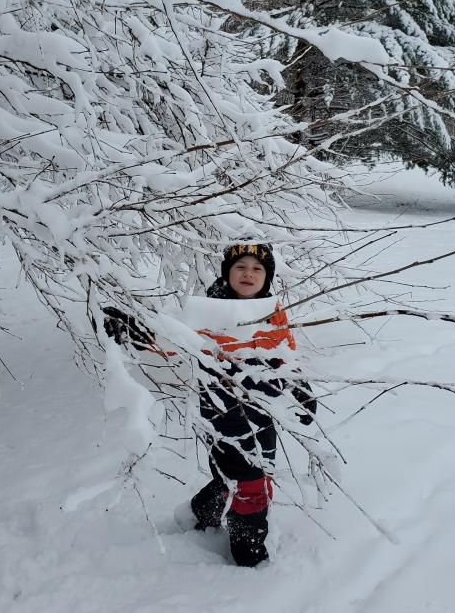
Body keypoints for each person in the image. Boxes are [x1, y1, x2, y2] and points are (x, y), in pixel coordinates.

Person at [103, 242, 316, 567]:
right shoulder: (210, 312)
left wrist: (298, 385)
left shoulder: (273, 313)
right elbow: (173, 339)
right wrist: (137, 331)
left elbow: (286, 351)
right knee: (252, 484)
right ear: (228, 273)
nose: (248, 274)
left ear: (267, 276)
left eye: (257, 269)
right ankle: (249, 553)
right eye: (240, 267)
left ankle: (201, 512)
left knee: (242, 474)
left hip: (263, 414)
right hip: (223, 415)